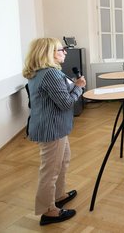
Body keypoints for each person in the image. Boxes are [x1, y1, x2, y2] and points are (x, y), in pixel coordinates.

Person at [22, 38, 86, 226]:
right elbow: (66, 103)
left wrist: (73, 85)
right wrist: (79, 88)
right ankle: (48, 210)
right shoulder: (50, 74)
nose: (65, 52)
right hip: (51, 130)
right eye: (61, 49)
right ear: (48, 53)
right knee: (50, 171)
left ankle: (59, 195)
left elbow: (58, 95)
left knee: (63, 161)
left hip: (54, 127)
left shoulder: (41, 72)